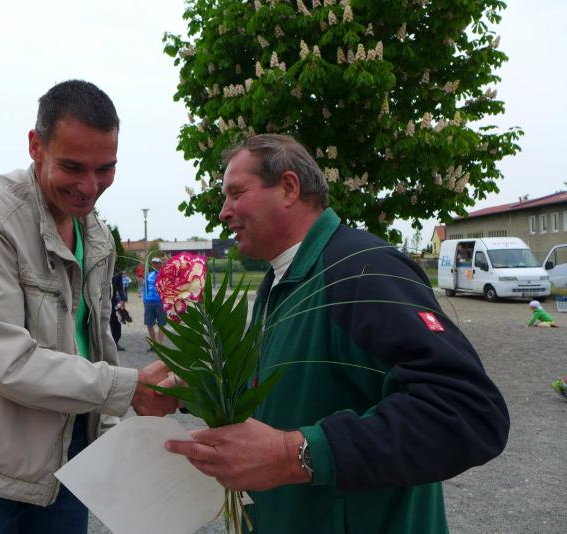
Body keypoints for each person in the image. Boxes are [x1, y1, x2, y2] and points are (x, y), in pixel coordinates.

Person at [165, 134, 510, 533]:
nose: (223, 212)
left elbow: (469, 412)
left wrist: (294, 454)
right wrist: (193, 383)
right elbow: (288, 388)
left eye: (236, 193)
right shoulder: (282, 280)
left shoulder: (362, 269)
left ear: (289, 188)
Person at [0, 80, 176, 534]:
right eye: (73, 167)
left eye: (105, 168)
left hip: (67, 453)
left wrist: (111, 433)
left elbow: (94, 343)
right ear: (36, 146)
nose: (90, 187)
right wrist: (129, 388)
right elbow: (5, 361)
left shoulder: (96, 236)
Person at [143, 256, 166, 348]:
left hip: (160, 302)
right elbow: (145, 288)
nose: (155, 264)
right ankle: (154, 344)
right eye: (154, 263)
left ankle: (159, 345)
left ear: (161, 264)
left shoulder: (164, 275)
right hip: (149, 302)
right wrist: (145, 300)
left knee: (161, 324)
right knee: (149, 324)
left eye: (157, 263)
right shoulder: (148, 275)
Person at [110, 265, 128, 351]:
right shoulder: (101, 268)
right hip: (101, 299)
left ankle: (115, 342)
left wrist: (123, 300)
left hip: (113, 299)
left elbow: (120, 287)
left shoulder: (117, 271)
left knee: (117, 322)